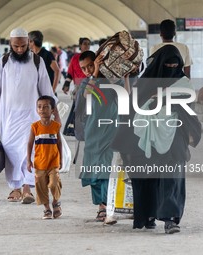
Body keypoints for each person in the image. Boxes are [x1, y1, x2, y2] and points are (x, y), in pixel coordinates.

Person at [111, 45, 201, 234]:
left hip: (175, 134)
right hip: (146, 137)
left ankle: (171, 219)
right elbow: (131, 107)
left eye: (175, 65)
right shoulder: (146, 83)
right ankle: (148, 215)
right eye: (167, 64)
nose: (170, 68)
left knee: (172, 176)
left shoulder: (183, 83)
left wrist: (162, 98)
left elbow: (188, 104)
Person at [0, 27, 60, 204]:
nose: (20, 50)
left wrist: (54, 114)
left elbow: (46, 89)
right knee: (10, 150)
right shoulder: (3, 62)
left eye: (23, 46)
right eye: (16, 46)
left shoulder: (37, 61)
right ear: (11, 44)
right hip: (8, 116)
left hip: (32, 114)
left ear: (29, 44)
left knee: (29, 151)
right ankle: (14, 188)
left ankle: (26, 187)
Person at [77, 51, 128, 222]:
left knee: (106, 168)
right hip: (92, 132)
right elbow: (87, 94)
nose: (87, 70)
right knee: (94, 170)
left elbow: (125, 97)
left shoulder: (111, 81)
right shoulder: (87, 82)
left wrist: (125, 77)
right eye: (83, 68)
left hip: (110, 130)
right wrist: (95, 72)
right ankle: (101, 205)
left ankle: (108, 207)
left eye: (91, 65)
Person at [27, 95, 62, 219]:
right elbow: (30, 144)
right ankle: (47, 209)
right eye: (39, 107)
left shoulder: (56, 126)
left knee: (53, 184)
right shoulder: (35, 127)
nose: (42, 109)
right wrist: (28, 161)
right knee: (41, 186)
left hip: (53, 162)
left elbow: (59, 143)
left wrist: (61, 159)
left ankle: (56, 202)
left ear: (52, 110)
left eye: (46, 107)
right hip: (39, 164)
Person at [62, 37, 91, 136]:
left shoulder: (92, 57)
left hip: (91, 85)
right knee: (78, 108)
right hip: (79, 86)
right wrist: (66, 85)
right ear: (80, 46)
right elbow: (70, 73)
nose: (87, 46)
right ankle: (73, 129)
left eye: (88, 44)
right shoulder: (75, 58)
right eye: (85, 44)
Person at [28, 30, 61, 95]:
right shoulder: (30, 55)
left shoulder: (47, 54)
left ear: (32, 42)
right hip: (34, 91)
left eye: (27, 41)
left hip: (47, 91)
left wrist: (53, 90)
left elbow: (57, 71)